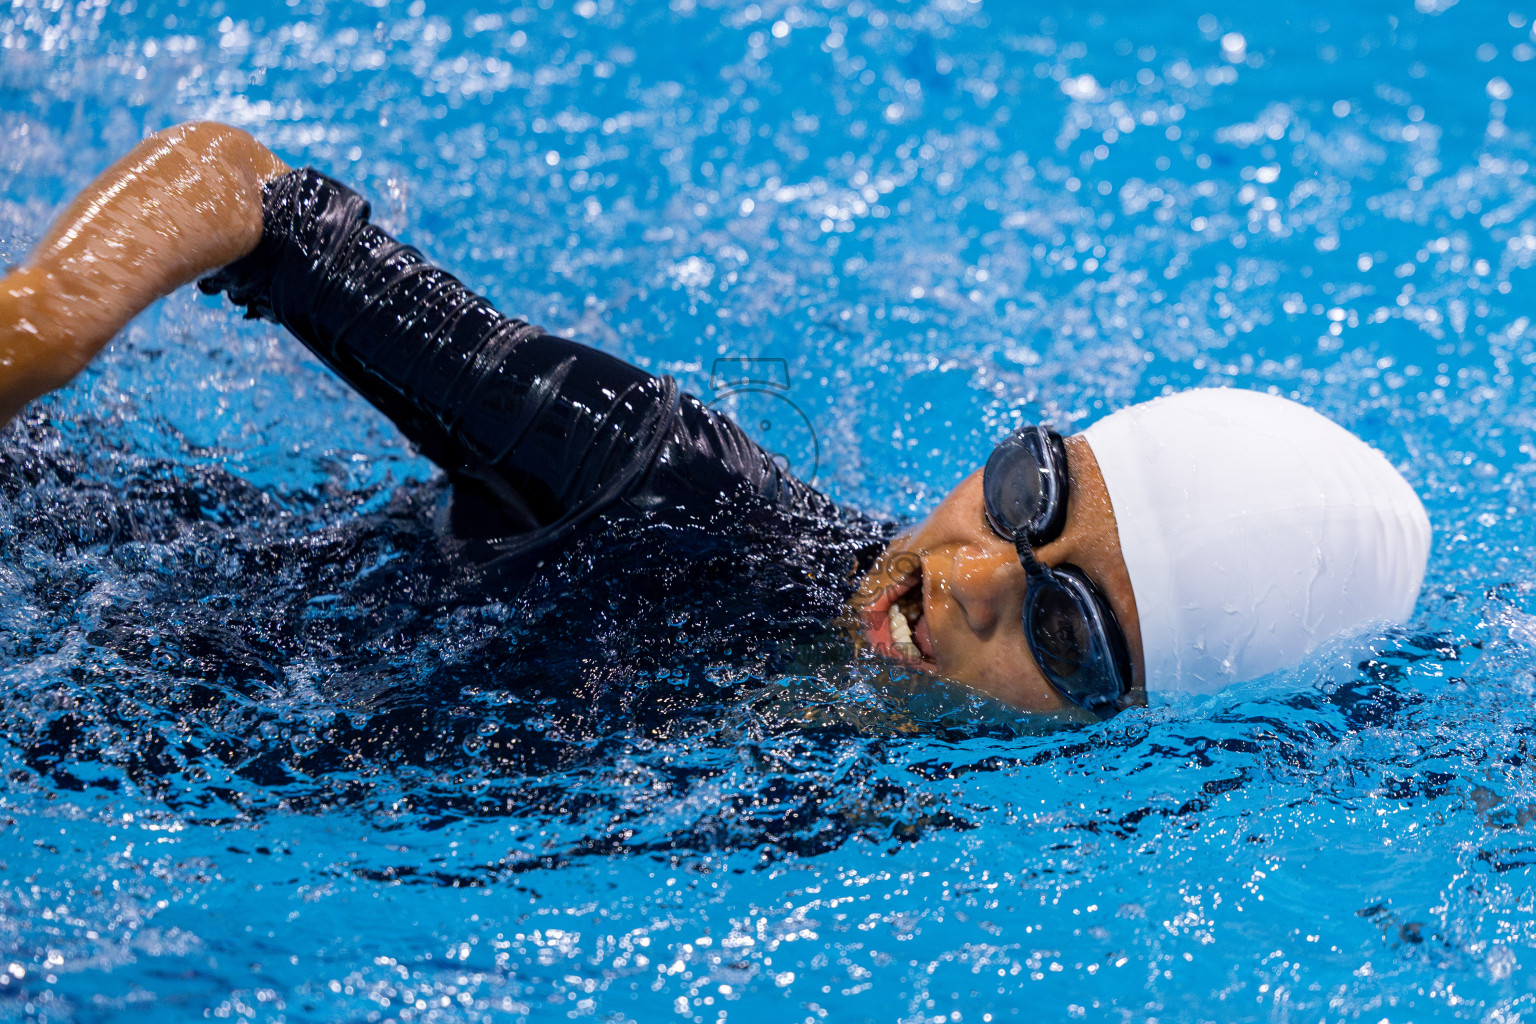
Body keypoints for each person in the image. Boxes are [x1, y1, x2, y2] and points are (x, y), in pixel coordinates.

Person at [0, 121, 1432, 720]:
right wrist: (40, 329)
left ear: (1132, 734)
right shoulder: (663, 491)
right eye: (1025, 489)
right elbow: (235, 187)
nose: (975, 576)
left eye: (1072, 631)